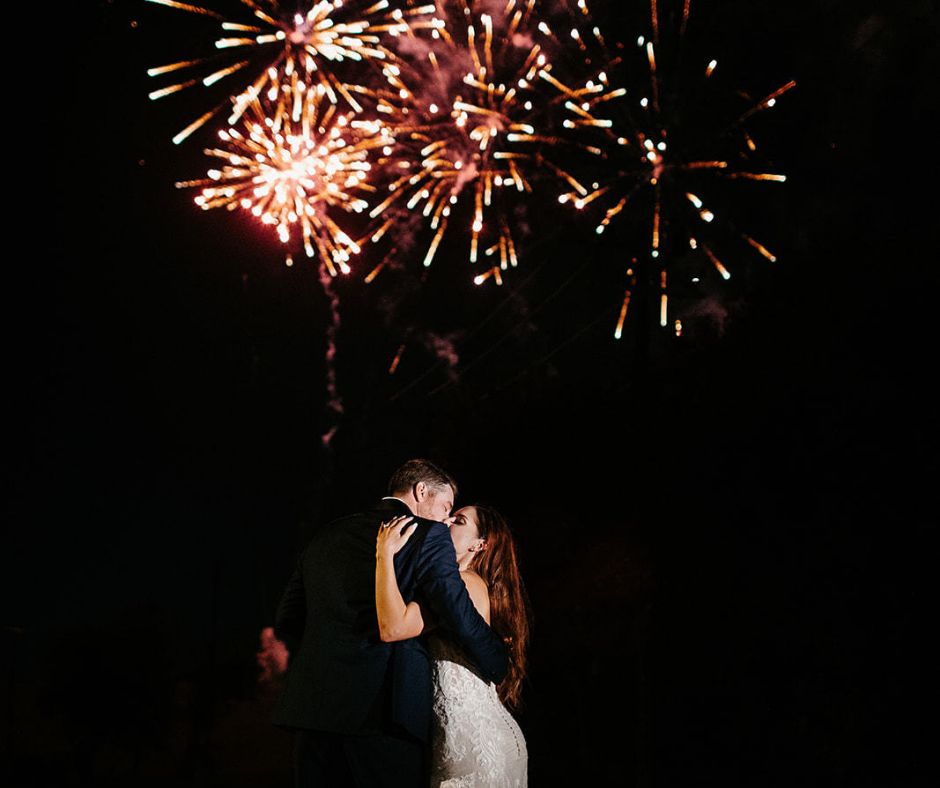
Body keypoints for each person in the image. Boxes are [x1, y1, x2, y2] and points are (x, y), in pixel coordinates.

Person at [272, 459, 508, 788]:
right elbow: (458, 613)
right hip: (384, 715)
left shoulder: (327, 535)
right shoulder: (430, 536)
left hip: (314, 714)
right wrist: (498, 659)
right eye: (445, 506)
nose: (445, 519)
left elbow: (288, 619)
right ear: (421, 491)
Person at [376, 504, 530, 787]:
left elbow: (394, 626)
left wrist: (383, 553)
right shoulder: (462, 584)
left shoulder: (462, 585)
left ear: (479, 545)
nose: (446, 522)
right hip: (462, 742)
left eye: (459, 520)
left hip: (475, 748)